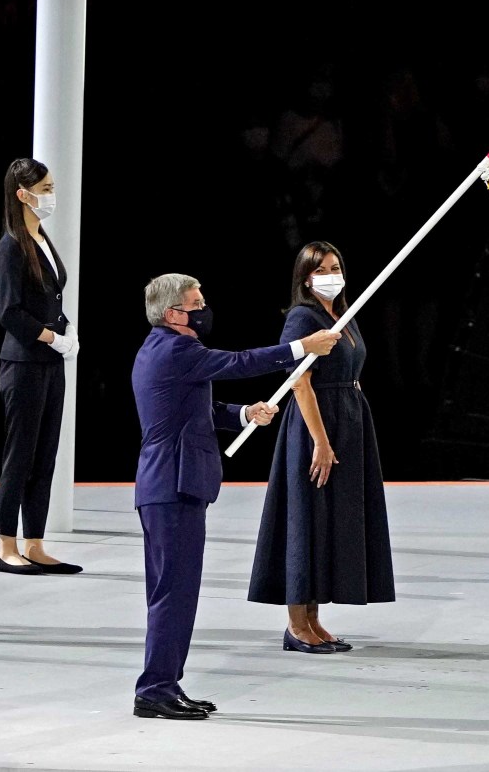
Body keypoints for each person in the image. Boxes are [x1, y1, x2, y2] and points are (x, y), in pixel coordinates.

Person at [130, 272, 340, 720]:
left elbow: (197, 411)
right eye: (196, 303)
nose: (204, 309)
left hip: (167, 485)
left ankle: (165, 684)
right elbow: (240, 363)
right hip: (173, 485)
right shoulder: (177, 348)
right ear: (173, 314)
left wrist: (244, 413)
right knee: (174, 593)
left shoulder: (160, 349)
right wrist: (303, 347)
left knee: (174, 592)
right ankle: (154, 689)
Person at [247, 240, 396, 652]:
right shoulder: (302, 317)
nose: (331, 276)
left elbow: (352, 365)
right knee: (307, 518)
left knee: (330, 519)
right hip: (316, 427)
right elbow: (299, 382)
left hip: (348, 419)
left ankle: (314, 619)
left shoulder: (343, 315)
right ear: (305, 278)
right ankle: (297, 626)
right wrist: (321, 442)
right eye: (321, 270)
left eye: (335, 267)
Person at [0, 157, 81, 576]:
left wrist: (67, 330)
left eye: (50, 186)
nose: (50, 195)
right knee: (20, 455)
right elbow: (9, 312)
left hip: (50, 361)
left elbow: (50, 297)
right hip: (24, 362)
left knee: (46, 453)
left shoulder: (40, 237)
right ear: (21, 194)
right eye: (43, 188)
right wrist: (50, 336)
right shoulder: (10, 245)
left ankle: (35, 541)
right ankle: (6, 544)